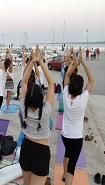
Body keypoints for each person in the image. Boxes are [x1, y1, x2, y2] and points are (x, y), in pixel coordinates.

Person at [19, 45, 54, 185]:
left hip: (26, 148)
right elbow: (51, 83)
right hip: (41, 152)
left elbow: (25, 81)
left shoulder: (23, 107)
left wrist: (32, 62)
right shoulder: (45, 111)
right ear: (41, 99)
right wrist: (40, 62)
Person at [61, 49, 94, 185]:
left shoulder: (66, 93)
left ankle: (63, 174)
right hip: (76, 138)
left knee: (67, 153)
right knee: (72, 168)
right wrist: (83, 63)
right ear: (80, 88)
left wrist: (75, 63)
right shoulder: (83, 98)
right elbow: (91, 80)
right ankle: (66, 177)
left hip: (65, 135)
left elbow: (67, 75)